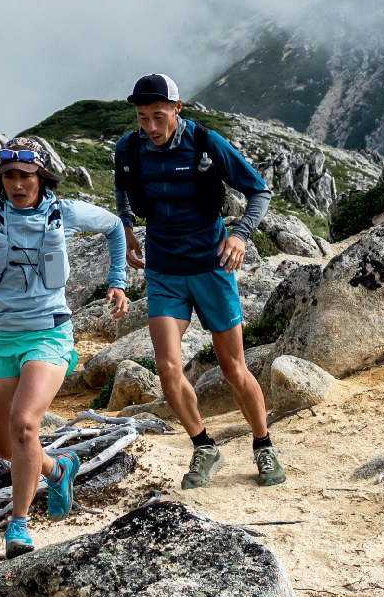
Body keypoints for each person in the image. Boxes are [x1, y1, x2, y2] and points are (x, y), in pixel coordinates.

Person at [0, 135, 129, 557]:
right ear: (1, 179)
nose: (17, 184)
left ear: (41, 176)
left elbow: (113, 228)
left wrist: (118, 281)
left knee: (23, 425)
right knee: (5, 446)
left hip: (49, 333)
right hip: (1, 336)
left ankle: (18, 526)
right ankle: (58, 469)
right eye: (9, 176)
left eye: (26, 176)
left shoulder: (64, 212)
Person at [112, 74, 284, 490]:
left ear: (177, 108)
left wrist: (240, 235)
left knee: (233, 367)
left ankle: (263, 446)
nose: (150, 126)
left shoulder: (207, 143)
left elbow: (259, 191)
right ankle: (204, 447)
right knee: (168, 368)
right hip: (164, 271)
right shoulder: (129, 148)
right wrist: (129, 229)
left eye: (158, 115)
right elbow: (122, 189)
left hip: (211, 267)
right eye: (142, 117)